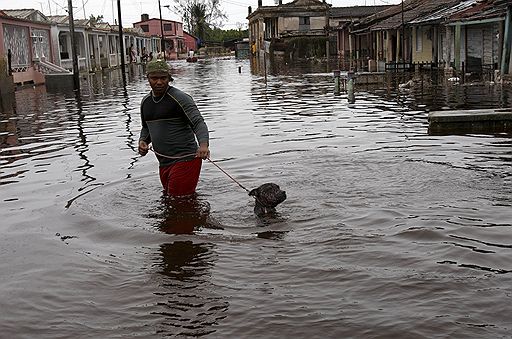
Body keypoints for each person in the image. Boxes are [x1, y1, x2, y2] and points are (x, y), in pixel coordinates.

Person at [138, 59, 209, 197]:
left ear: (169, 79)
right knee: (171, 199)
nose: (159, 82)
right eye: (154, 78)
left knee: (178, 201)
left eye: (163, 78)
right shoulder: (146, 102)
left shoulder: (180, 98)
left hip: (186, 159)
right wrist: (143, 141)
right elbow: (146, 128)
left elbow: (198, 122)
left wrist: (203, 145)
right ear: (148, 78)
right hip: (164, 163)